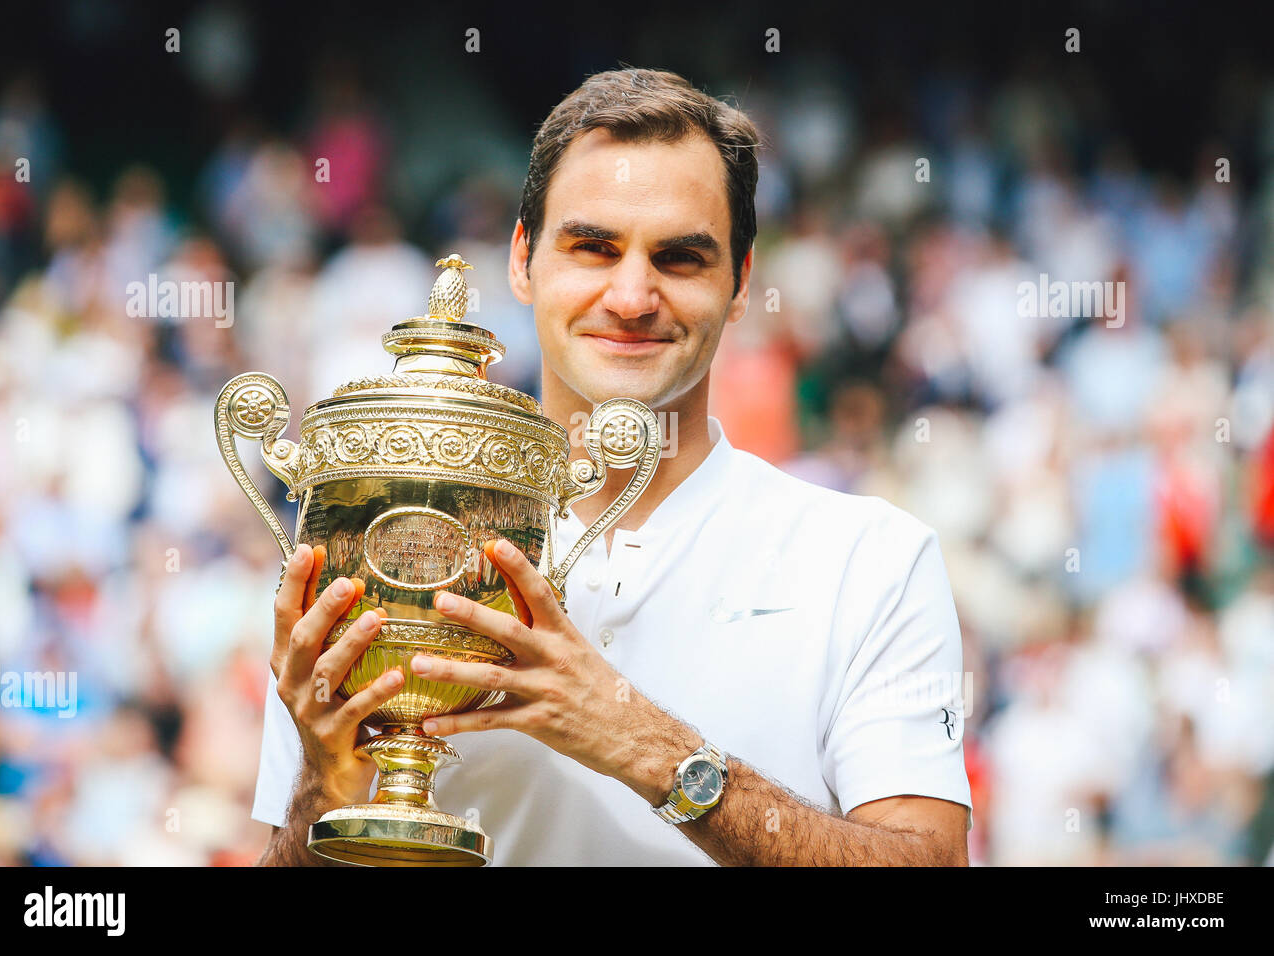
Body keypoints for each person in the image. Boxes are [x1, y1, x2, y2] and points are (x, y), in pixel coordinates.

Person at [253, 67, 972, 866]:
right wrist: (326, 789)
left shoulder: (870, 558)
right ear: (522, 261)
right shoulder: (373, 544)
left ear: (740, 284)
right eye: (593, 248)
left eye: (681, 258)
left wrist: (643, 744)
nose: (632, 296)